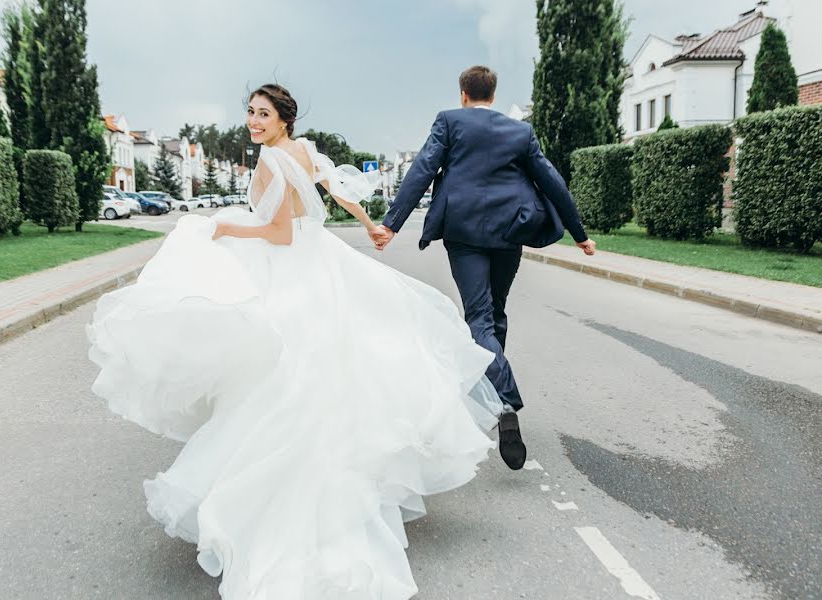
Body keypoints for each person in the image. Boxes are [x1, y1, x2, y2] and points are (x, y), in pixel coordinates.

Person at [88, 83, 507, 599]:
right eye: (250, 112)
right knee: (350, 366)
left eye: (263, 114)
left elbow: (280, 234)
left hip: (292, 268)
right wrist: (373, 224)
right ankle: (350, 481)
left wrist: (224, 229)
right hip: (324, 261)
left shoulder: (271, 161)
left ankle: (290, 499)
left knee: (287, 378)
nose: (253, 121)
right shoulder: (304, 151)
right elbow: (337, 190)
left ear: (283, 119)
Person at [373, 66, 596, 471]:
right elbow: (552, 182)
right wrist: (579, 234)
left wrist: (391, 223)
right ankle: (496, 393)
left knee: (479, 317)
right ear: (492, 95)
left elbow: (422, 169)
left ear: (463, 94)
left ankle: (504, 403)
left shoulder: (449, 121)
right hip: (510, 231)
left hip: (464, 234)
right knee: (495, 312)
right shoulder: (519, 132)